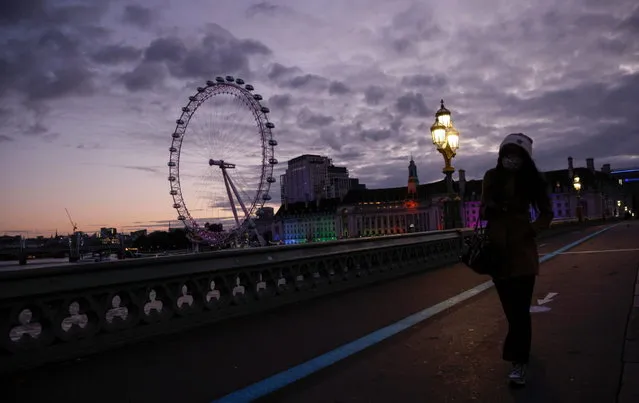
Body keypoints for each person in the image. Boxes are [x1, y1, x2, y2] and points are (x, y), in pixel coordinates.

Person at [479, 133, 554, 386]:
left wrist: (533, 229)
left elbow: (547, 212)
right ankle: (521, 353)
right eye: (508, 155)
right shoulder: (491, 177)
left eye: (517, 156)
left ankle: (518, 362)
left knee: (520, 311)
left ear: (525, 159)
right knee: (512, 311)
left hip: (522, 251)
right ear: (501, 155)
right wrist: (492, 206)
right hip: (498, 251)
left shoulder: (532, 181)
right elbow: (482, 210)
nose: (512, 160)